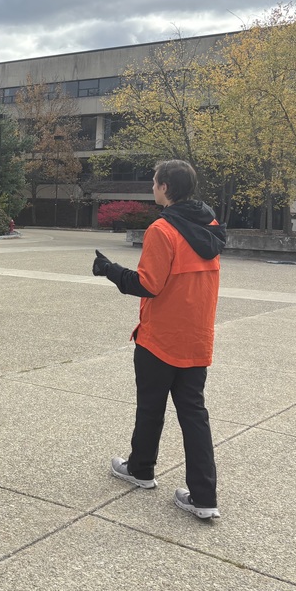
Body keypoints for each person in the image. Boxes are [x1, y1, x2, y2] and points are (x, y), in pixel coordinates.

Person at [92, 159, 225, 520]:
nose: (152, 187)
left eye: (154, 182)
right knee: (194, 415)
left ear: (165, 187)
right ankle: (204, 497)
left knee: (151, 407)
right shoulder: (210, 226)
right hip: (197, 336)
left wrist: (109, 270)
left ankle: (141, 469)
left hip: (161, 337)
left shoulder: (162, 229)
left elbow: (147, 284)